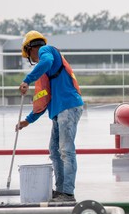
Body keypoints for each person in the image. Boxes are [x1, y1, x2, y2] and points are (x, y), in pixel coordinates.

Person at [17, 30, 84, 201]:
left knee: (66, 150)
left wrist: (27, 80)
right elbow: (43, 101)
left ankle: (68, 192)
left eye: (28, 55)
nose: (33, 59)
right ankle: (61, 189)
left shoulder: (46, 51)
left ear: (31, 48)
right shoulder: (47, 68)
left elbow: (46, 61)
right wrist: (27, 121)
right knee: (54, 151)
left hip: (68, 107)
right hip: (59, 111)